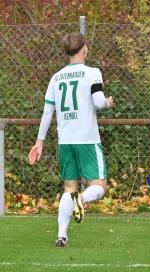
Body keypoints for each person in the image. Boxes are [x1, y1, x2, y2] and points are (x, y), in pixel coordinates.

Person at [28, 32, 114, 248]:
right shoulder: (92, 72)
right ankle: (82, 200)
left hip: (65, 141)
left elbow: (48, 113)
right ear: (84, 49)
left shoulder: (56, 78)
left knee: (69, 187)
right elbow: (98, 102)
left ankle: (61, 236)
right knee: (100, 186)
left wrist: (39, 142)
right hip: (87, 139)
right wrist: (108, 102)